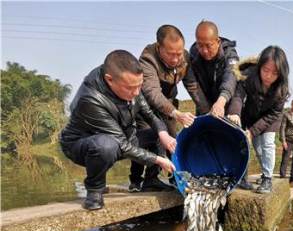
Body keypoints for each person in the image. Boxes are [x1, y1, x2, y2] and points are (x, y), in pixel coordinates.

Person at [59, 50, 176, 210]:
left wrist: (163, 134)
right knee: (106, 145)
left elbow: (150, 115)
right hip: (82, 145)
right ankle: (95, 189)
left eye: (139, 86)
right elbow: (121, 145)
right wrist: (159, 159)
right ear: (110, 80)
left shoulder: (130, 82)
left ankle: (150, 181)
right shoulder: (90, 99)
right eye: (130, 88)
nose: (136, 93)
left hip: (121, 138)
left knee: (157, 133)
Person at [130, 24, 205, 191]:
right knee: (148, 139)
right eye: (171, 54)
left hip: (169, 103)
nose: (176, 59)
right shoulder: (147, 59)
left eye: (179, 53)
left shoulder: (183, 57)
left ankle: (173, 178)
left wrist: (207, 111)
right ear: (159, 48)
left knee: (171, 140)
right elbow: (153, 93)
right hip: (145, 105)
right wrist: (177, 114)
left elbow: (192, 85)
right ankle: (139, 181)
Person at [227, 46, 290, 194]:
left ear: (281, 74)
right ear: (259, 67)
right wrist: (235, 112)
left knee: (267, 144)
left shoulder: (282, 90)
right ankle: (249, 176)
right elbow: (238, 95)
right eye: (265, 70)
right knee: (257, 148)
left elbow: (274, 114)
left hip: (270, 119)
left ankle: (267, 178)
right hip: (251, 115)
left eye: (274, 73)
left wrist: (253, 131)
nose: (268, 76)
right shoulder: (249, 76)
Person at [189, 20, 239, 116]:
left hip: (227, 102)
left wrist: (221, 102)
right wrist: (205, 111)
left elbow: (230, 76)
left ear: (218, 42)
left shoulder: (230, 54)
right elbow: (193, 85)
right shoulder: (193, 55)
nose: (204, 51)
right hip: (203, 103)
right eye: (200, 45)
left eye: (208, 46)